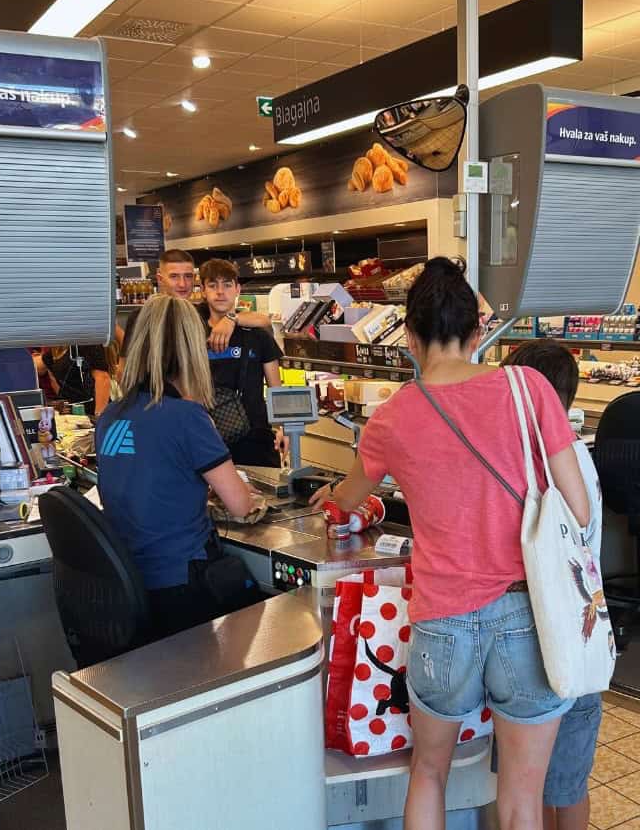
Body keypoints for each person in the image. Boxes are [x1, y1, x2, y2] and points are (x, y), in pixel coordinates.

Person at [310, 257, 590, 830]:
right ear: (478, 330)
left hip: (443, 622)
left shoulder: (391, 417)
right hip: (529, 618)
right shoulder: (529, 387)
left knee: (428, 772)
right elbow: (579, 511)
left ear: (409, 337)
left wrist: (335, 499)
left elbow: (349, 493)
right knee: (519, 797)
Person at [96, 294, 254, 639]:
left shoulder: (109, 416)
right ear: (191, 349)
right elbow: (241, 505)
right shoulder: (186, 417)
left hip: (133, 587)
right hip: (183, 585)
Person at [503, 341, 603, 830]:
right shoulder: (572, 454)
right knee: (561, 782)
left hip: (552, 637)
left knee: (546, 783)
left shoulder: (544, 461)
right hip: (578, 637)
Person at [200, 258, 288, 467]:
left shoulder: (257, 335)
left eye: (227, 285)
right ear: (203, 290)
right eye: (213, 285)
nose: (220, 292)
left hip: (255, 438)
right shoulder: (193, 332)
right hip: (206, 437)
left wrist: (284, 427)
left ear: (238, 288)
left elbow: (276, 388)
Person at [157, 248, 273, 351]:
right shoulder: (149, 317)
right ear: (160, 280)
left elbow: (264, 320)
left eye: (188, 276)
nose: (182, 284)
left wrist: (231, 319)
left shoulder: (199, 313)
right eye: (174, 276)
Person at [32, 345, 113, 415]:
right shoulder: (52, 354)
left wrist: (99, 416)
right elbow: (39, 366)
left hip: (95, 411)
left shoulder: (86, 344)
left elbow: (103, 379)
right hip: (75, 414)